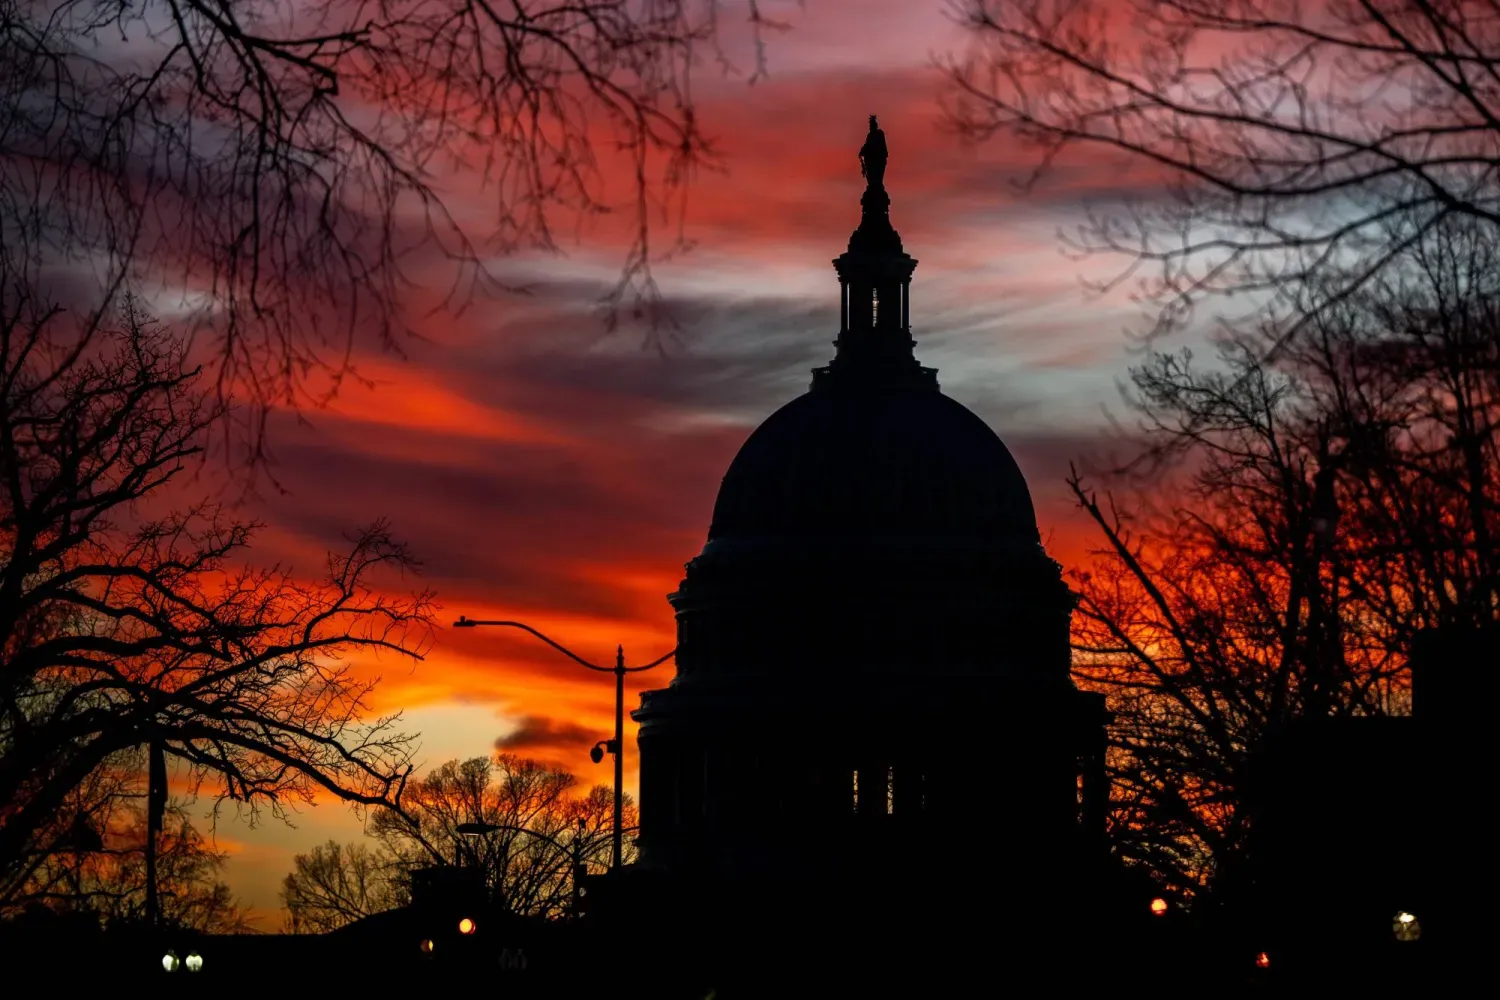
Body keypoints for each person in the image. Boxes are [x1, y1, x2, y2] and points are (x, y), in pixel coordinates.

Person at [859, 115, 887, 189]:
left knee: (877, 176)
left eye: (871, 125)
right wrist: (863, 150)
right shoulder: (870, 135)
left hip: (878, 159)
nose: (870, 127)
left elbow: (881, 146)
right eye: (870, 125)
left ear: (875, 125)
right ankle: (872, 186)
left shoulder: (879, 134)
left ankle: (876, 186)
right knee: (871, 176)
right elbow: (867, 144)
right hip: (870, 160)